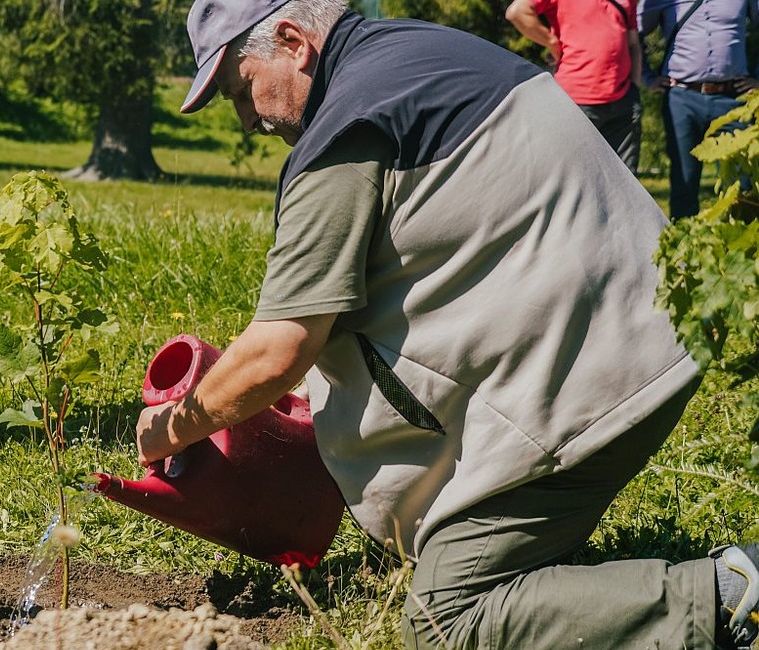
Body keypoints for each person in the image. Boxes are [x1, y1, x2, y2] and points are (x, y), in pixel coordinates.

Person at [135, 0, 759, 647]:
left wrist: (173, 425)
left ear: (292, 42)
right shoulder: (427, 55)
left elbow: (277, 350)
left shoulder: (345, 132)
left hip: (607, 379)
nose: (248, 120)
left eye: (242, 91)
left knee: (445, 622)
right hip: (654, 329)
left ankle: (732, 598)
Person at [639, 0, 759, 220]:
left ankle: (744, 247)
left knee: (744, 183)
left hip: (733, 100)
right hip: (682, 100)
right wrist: (646, 78)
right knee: (684, 181)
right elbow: (629, 32)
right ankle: (684, 246)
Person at [505, 0, 643, 174]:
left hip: (624, 102)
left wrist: (634, 88)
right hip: (576, 101)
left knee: (625, 180)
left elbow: (633, 44)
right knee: (574, 175)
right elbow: (517, 12)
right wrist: (552, 42)